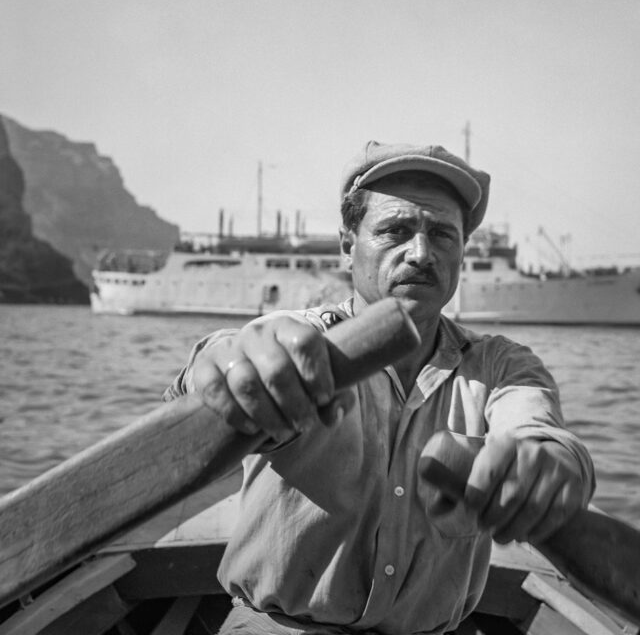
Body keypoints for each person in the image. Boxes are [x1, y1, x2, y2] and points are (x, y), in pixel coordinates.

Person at [165, 141, 595, 635]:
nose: (421, 253)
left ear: (462, 250)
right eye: (395, 230)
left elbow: (541, 433)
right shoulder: (300, 345)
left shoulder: (501, 366)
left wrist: (550, 469)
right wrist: (217, 368)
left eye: (441, 234)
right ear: (348, 244)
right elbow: (220, 369)